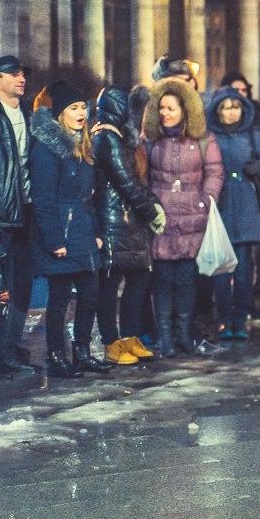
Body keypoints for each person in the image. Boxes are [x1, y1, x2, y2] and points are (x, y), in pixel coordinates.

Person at [28, 82, 105, 377]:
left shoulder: (84, 146)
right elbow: (44, 197)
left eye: (83, 107)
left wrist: (96, 232)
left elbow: (89, 198)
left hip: (82, 231)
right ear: (61, 113)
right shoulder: (48, 149)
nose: (81, 112)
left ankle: (83, 352)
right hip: (61, 231)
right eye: (74, 108)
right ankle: (56, 355)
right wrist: (54, 239)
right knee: (59, 299)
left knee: (90, 294)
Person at [144, 74, 223, 357]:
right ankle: (165, 338)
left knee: (187, 282)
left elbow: (214, 172)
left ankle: (184, 335)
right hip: (160, 219)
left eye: (171, 108)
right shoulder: (150, 139)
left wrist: (206, 201)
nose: (164, 113)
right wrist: (149, 205)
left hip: (193, 218)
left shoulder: (203, 139)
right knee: (163, 281)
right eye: (161, 108)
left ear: (184, 110)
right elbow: (141, 175)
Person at [93, 85, 164, 365]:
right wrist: (153, 210)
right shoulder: (107, 138)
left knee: (138, 278)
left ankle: (130, 337)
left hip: (130, 220)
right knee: (110, 285)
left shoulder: (123, 138)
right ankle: (112, 343)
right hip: (114, 221)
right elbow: (126, 182)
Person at [206, 87, 260, 341]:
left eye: (235, 107)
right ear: (218, 111)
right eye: (226, 107)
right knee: (222, 270)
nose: (231, 112)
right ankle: (224, 319)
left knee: (244, 269)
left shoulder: (253, 135)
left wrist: (253, 167)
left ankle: (240, 318)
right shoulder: (210, 136)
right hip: (221, 202)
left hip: (245, 201)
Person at [0, 55, 33, 378]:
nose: (21, 78)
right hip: (0, 213)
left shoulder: (28, 114)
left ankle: (9, 347)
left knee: (21, 283)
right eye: (12, 74)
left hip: (25, 212)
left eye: (22, 74)